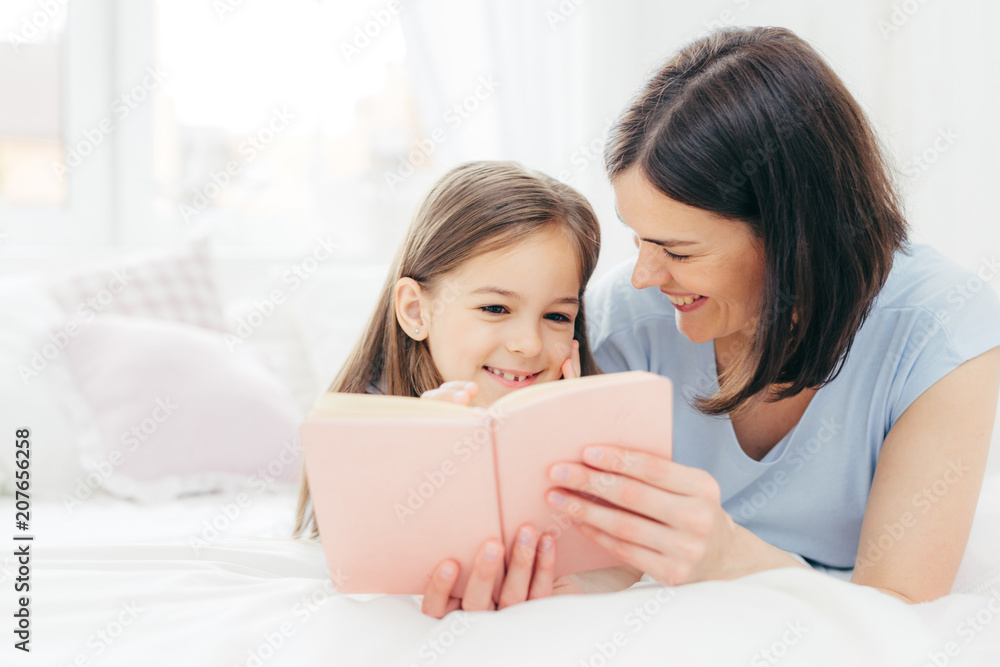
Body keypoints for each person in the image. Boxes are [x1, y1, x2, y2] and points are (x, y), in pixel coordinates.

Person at [542, 26, 1000, 603]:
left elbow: (901, 609)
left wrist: (729, 556)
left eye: (679, 251)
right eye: (638, 240)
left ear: (792, 238)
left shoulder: (942, 332)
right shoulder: (626, 320)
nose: (645, 276)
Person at [291, 160, 637, 617]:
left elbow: (624, 566)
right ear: (416, 312)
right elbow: (349, 560)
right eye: (495, 308)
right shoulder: (370, 429)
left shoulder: (603, 434)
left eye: (556, 316)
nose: (529, 344)